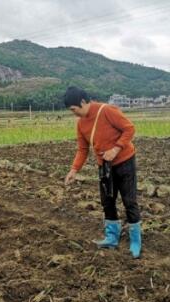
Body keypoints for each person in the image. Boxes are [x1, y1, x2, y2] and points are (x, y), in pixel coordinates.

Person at [63, 86, 142, 258]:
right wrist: (74, 170)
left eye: (74, 109)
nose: (73, 113)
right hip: (104, 166)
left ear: (83, 102)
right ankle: (111, 236)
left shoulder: (107, 111)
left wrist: (115, 149)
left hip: (124, 161)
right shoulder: (81, 124)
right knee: (107, 201)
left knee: (129, 200)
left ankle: (135, 240)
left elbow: (129, 128)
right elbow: (82, 149)